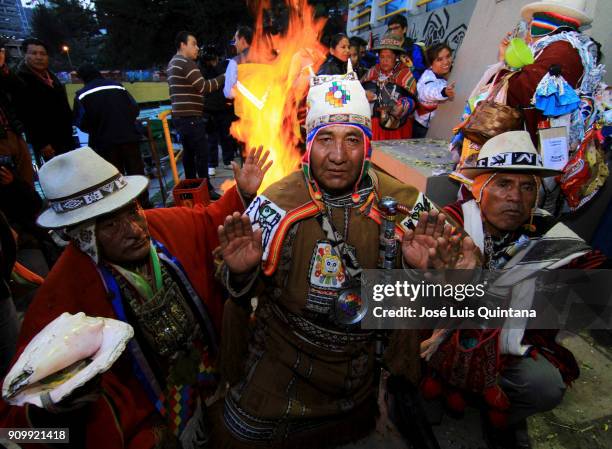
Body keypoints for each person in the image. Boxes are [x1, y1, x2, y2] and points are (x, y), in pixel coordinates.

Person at [210, 70, 476, 448]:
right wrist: (242, 274)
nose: (337, 156)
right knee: (237, 434)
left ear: (367, 146)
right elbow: (231, 281)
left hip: (361, 367)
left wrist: (433, 274)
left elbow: (462, 267)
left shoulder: (400, 199)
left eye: (352, 140)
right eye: (325, 140)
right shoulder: (279, 201)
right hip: (285, 362)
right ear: (308, 147)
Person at [0, 146, 271, 448]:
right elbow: (13, 430)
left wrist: (241, 194)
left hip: (212, 383)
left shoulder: (157, 225)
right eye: (111, 224)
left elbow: (209, 221)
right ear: (83, 236)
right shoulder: (61, 294)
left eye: (132, 210)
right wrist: (58, 416)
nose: (134, 230)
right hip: (152, 421)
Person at [422, 131, 608, 449]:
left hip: (507, 350)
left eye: (527, 187)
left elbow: (597, 277)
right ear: (480, 188)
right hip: (442, 341)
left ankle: (501, 409)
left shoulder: (548, 231)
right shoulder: (451, 222)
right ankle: (437, 388)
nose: (516, 198)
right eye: (504, 184)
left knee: (545, 386)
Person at [73, 64, 150, 207]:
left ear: (82, 77)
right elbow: (134, 109)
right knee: (137, 174)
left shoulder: (81, 95)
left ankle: (125, 210)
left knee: (114, 180)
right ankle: (145, 205)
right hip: (129, 138)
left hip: (105, 144)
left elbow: (81, 122)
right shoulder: (118, 86)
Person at [167, 31, 225, 197]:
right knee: (201, 153)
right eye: (193, 44)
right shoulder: (185, 63)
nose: (197, 48)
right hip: (190, 118)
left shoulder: (173, 63)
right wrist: (224, 77)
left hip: (181, 118)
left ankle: (191, 188)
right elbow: (204, 87)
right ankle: (206, 190)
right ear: (182, 45)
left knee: (189, 154)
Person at [12, 38, 75, 164]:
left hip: (65, 137)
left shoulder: (52, 77)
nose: (39, 57)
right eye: (34, 53)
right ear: (25, 55)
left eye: (42, 54)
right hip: (47, 144)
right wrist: (41, 143)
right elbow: (25, 115)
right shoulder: (20, 80)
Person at [362, 32, 417, 140]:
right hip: (373, 126)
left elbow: (414, 100)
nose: (385, 61)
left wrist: (404, 105)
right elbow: (359, 91)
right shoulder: (372, 72)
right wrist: (363, 95)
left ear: (396, 57)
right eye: (382, 57)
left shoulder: (404, 73)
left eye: (389, 57)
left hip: (397, 127)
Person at [200, 47, 236, 176]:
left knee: (226, 135)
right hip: (208, 108)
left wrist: (216, 66)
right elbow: (204, 84)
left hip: (222, 107)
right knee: (211, 138)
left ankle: (228, 160)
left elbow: (226, 81)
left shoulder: (222, 65)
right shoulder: (201, 67)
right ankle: (211, 164)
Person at [413, 43, 455, 138]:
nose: (446, 62)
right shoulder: (427, 78)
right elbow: (428, 91)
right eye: (439, 59)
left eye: (448, 56)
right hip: (422, 130)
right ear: (431, 64)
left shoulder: (445, 74)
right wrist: (444, 92)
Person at [387, 15, 427, 81]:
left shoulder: (414, 49)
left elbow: (420, 72)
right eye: (390, 29)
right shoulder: (385, 50)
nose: (392, 32)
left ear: (404, 29)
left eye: (396, 28)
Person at [223, 26, 253, 100]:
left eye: (236, 40)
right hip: (268, 110)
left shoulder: (235, 62)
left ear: (242, 40)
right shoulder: (266, 59)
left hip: (243, 110)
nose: (235, 44)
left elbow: (229, 93)